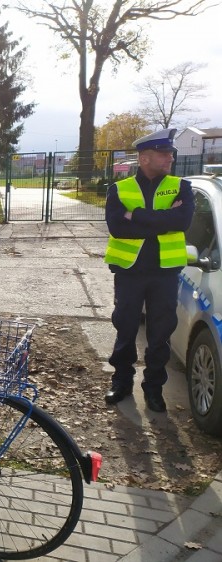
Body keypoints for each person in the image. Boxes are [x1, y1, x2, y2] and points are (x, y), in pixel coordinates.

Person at [104, 128, 194, 413]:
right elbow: (117, 227)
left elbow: (182, 221)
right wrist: (162, 219)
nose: (170, 158)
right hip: (130, 272)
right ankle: (121, 382)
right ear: (145, 158)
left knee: (160, 333)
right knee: (126, 328)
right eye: (164, 154)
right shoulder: (119, 189)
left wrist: (138, 215)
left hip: (165, 273)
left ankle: (154, 389)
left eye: (170, 153)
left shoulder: (182, 187)